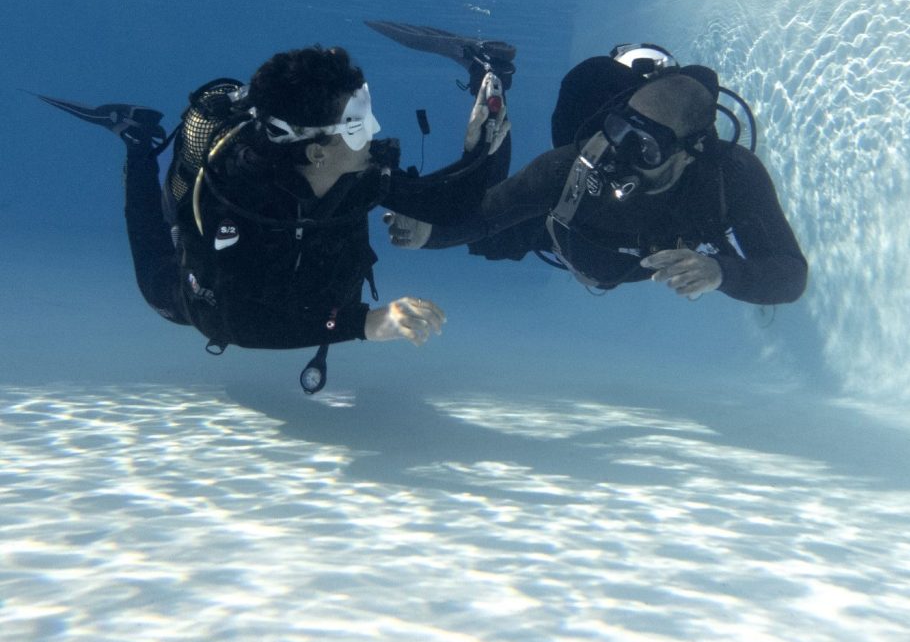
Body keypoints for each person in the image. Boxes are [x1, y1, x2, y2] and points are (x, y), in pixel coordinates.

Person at [37, 39, 512, 392]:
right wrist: (365, 324)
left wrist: (479, 149)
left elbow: (445, 204)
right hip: (216, 298)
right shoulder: (238, 202)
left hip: (308, 287)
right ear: (318, 153)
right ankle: (139, 143)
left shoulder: (349, 164)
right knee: (157, 283)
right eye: (356, 123)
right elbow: (236, 324)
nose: (374, 131)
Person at [386, 47, 808, 306]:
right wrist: (429, 233)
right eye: (620, 130)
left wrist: (720, 272)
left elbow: (790, 276)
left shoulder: (730, 178)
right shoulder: (573, 166)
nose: (619, 155)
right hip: (557, 230)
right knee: (495, 231)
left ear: (692, 150)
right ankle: (489, 75)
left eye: (644, 147)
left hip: (606, 254)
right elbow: (485, 213)